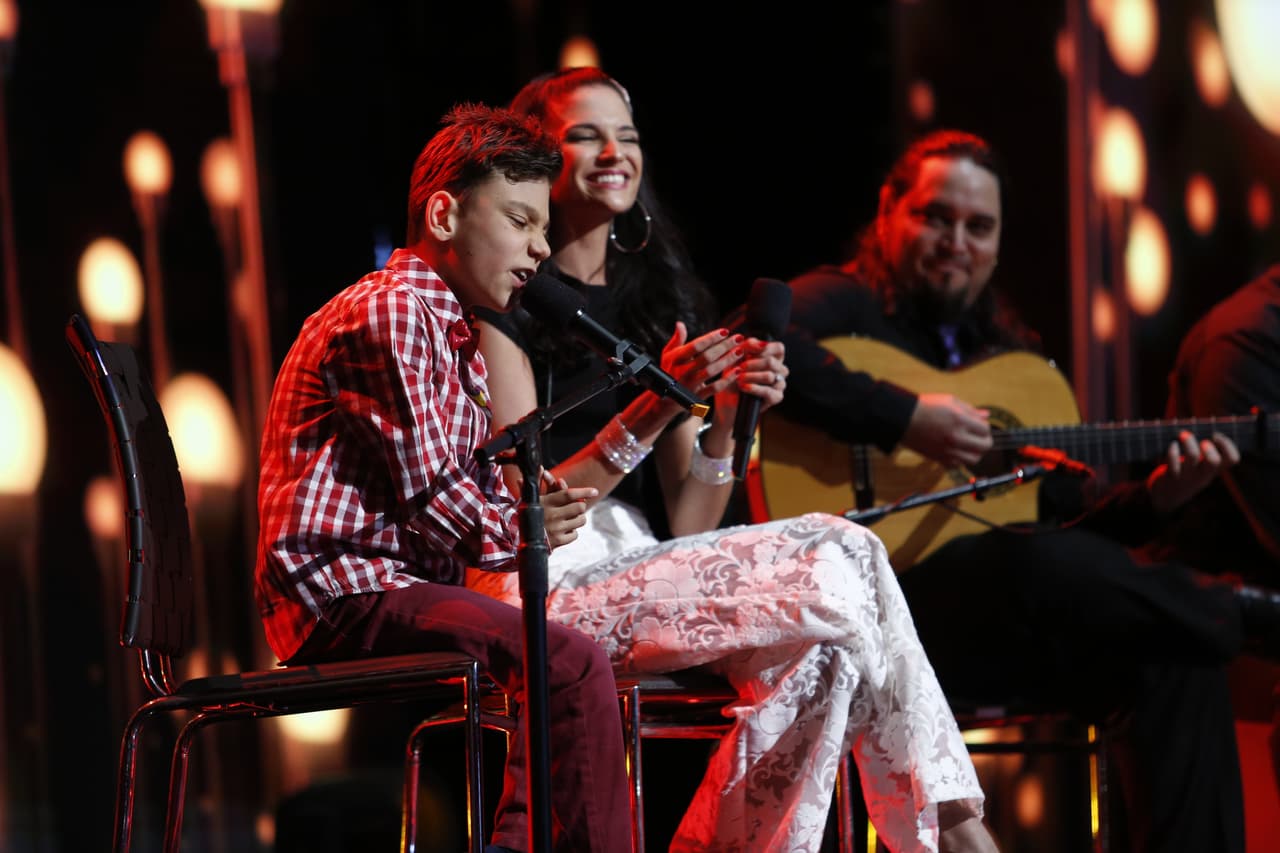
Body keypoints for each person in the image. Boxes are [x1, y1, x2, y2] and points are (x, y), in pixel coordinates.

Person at [466, 67, 999, 853]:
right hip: (545, 577)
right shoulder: (505, 299)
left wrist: (729, 423)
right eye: (586, 134)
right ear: (537, 157)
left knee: (826, 653)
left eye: (630, 137)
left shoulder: (658, 303)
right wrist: (655, 408)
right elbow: (528, 506)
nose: (614, 152)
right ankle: (960, 833)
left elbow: (689, 516)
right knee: (848, 547)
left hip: (649, 564)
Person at [772, 128, 1271, 853]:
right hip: (880, 622)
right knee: (1024, 565)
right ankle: (1242, 612)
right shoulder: (842, 301)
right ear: (889, 212)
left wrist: (1159, 496)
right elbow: (761, 347)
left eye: (979, 226)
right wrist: (908, 418)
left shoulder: (1010, 356)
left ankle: (1218, 622)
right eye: (936, 217)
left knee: (1171, 654)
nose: (957, 241)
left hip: (992, 632)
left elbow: (1065, 527)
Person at [254, 103, 631, 853]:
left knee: (565, 652)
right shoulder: (393, 309)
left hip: (385, 583)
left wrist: (525, 505)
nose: (540, 250)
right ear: (445, 214)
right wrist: (522, 526)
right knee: (569, 660)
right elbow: (435, 500)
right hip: (344, 589)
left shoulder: (447, 328)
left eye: (545, 230)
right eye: (522, 221)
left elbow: (458, 486)